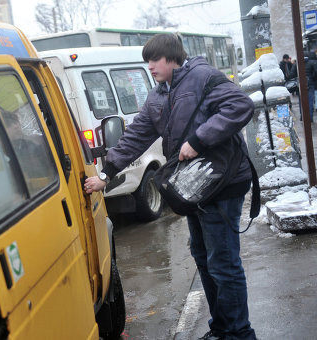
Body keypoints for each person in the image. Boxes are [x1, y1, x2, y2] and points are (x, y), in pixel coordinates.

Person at [84, 33, 256, 340]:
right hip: (193, 186)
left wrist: (198, 139)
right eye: (146, 61)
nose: (149, 66)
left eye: (153, 60)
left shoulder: (203, 77)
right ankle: (222, 329)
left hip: (223, 182)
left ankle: (239, 333)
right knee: (203, 257)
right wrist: (106, 175)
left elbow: (240, 106)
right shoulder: (158, 95)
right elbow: (136, 137)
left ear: (171, 57)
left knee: (223, 262)